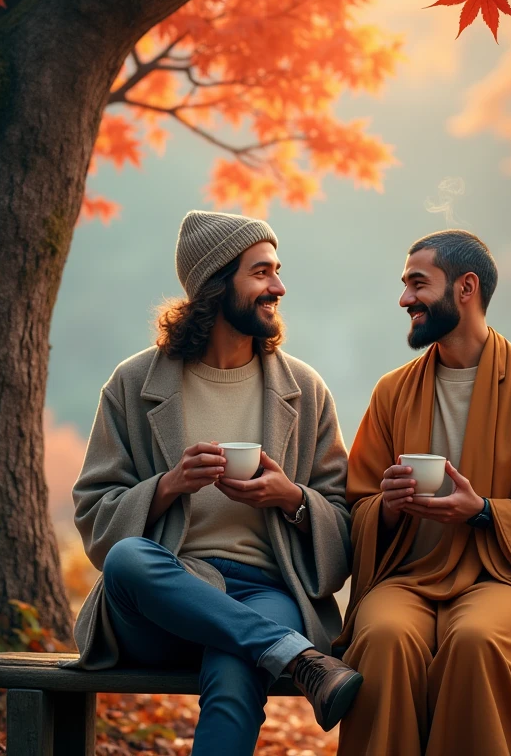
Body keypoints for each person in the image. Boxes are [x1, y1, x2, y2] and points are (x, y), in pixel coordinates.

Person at [68, 210, 362, 756]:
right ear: (215, 284)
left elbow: (346, 527)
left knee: (236, 671)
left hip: (266, 593)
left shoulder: (304, 388)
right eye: (261, 272)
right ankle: (296, 656)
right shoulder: (134, 383)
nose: (278, 286)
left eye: (276, 270)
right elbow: (96, 519)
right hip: (163, 603)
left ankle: (277, 646)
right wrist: (168, 485)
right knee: (131, 558)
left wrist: (293, 499)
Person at [336, 229, 511, 756]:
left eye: (418, 283)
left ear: (466, 287)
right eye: (405, 285)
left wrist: (481, 512)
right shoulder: (392, 392)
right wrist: (385, 509)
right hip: (408, 577)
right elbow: (355, 505)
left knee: (477, 639)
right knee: (383, 637)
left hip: (505, 579)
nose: (405, 299)